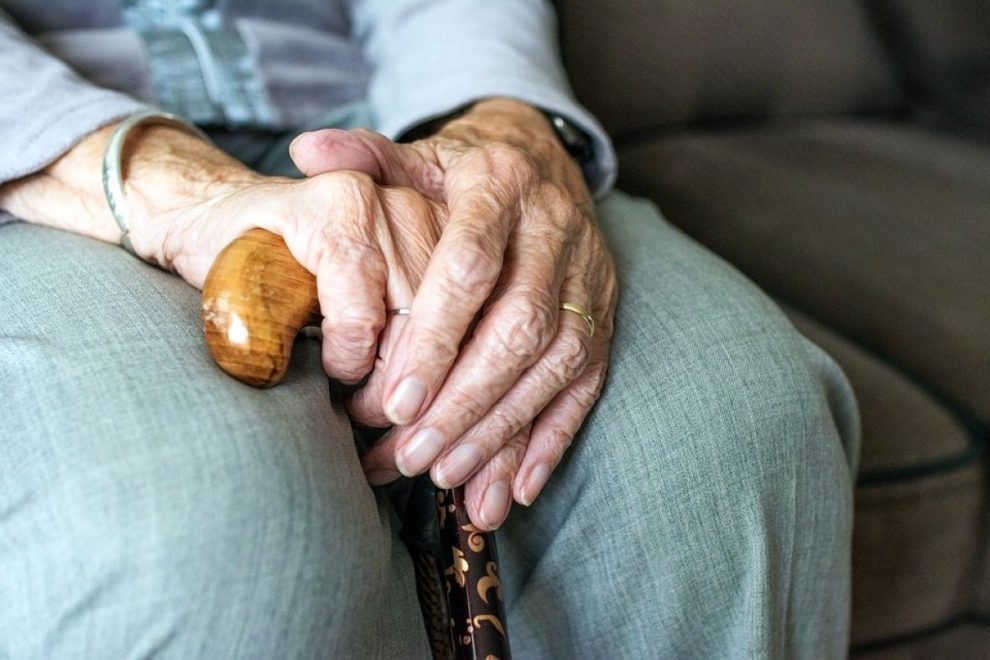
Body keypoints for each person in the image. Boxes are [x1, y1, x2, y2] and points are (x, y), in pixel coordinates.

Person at [0, 1, 859, 657]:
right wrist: (164, 184)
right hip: (41, 164)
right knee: (206, 542)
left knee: (733, 433)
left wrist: (505, 125)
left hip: (385, 127)